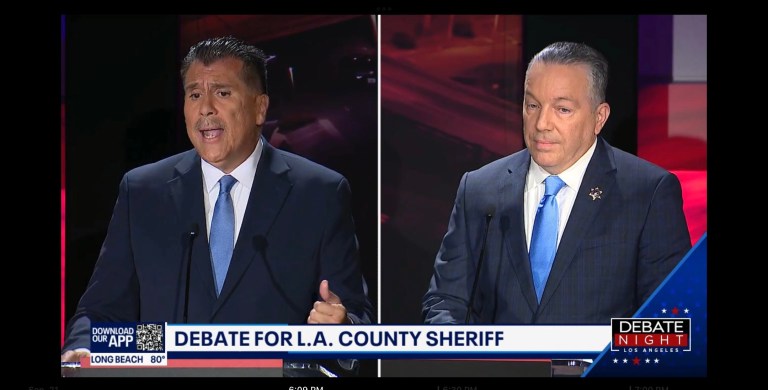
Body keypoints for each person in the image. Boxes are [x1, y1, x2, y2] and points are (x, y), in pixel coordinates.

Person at [62, 36, 373, 362]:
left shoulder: (319, 192)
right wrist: (82, 345)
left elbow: (353, 313)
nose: (205, 108)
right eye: (194, 94)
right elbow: (102, 309)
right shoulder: (143, 191)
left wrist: (342, 326)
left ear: (259, 108)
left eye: (222, 93)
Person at [422, 41, 691, 324]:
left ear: (599, 118)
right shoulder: (479, 189)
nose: (541, 123)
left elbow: (669, 320)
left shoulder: (647, 193)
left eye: (562, 109)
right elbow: (446, 302)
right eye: (533, 105)